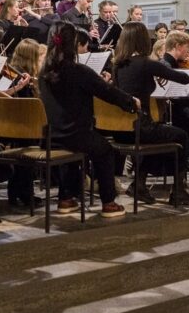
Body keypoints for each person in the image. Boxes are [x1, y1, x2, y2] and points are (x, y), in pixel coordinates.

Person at [39, 22, 137, 218]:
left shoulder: (43, 73)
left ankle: (66, 199)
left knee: (71, 153)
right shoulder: (78, 71)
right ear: (72, 43)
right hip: (77, 134)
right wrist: (131, 101)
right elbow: (107, 92)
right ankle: (109, 203)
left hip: (51, 136)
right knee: (105, 151)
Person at [112, 22, 189, 205]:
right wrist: (183, 65)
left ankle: (139, 185)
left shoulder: (117, 65)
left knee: (159, 138)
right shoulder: (146, 64)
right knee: (181, 136)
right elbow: (184, 79)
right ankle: (179, 191)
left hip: (121, 130)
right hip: (140, 128)